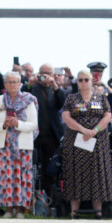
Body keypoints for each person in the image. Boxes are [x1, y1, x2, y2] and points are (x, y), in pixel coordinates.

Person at [61, 70, 112, 219]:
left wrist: (94, 130)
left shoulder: (101, 98)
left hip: (98, 141)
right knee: (75, 173)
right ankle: (74, 212)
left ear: (92, 81)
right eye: (80, 80)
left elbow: (108, 115)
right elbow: (65, 116)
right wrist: (83, 130)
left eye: (86, 80)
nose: (83, 82)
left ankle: (98, 211)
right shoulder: (71, 98)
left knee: (97, 173)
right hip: (76, 141)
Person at [0, 71, 38, 218]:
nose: (12, 85)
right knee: (5, 177)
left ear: (20, 84)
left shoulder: (29, 100)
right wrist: (3, 125)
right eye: (9, 82)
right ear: (5, 85)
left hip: (23, 145)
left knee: (22, 177)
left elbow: (33, 125)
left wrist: (18, 123)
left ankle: (20, 210)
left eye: (15, 82)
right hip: (4, 145)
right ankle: (8, 210)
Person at [22, 63, 65, 200]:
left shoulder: (55, 89)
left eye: (48, 74)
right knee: (30, 164)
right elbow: (21, 97)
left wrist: (55, 85)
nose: (44, 76)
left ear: (53, 75)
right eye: (42, 73)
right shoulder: (33, 87)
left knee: (50, 167)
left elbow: (62, 103)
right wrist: (29, 84)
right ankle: (30, 195)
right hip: (34, 133)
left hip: (52, 134)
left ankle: (49, 197)